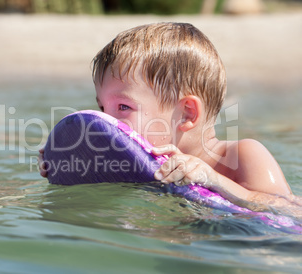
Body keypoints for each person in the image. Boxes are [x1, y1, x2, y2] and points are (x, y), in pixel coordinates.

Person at [39, 22, 301, 215]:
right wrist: (72, 162)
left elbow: (286, 209)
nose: (109, 122)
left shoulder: (241, 154)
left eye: (122, 106)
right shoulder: (142, 167)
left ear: (186, 113)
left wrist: (212, 179)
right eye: (103, 108)